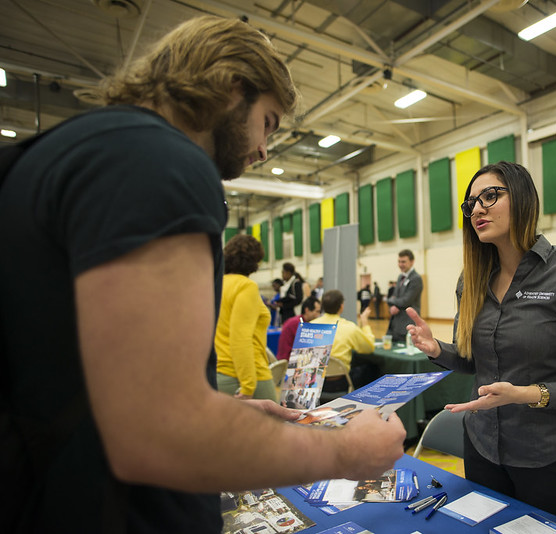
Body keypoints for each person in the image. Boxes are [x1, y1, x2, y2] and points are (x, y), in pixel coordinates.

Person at [0, 16, 405, 532]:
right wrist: (346, 451)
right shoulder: (161, 159)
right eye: (267, 123)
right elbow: (157, 431)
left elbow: (104, 391)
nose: (264, 149)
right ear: (233, 86)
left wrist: (222, 413)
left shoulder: (66, 153)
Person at [406, 162, 556, 527]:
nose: (478, 209)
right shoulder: (472, 279)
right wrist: (437, 349)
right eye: (471, 203)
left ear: (523, 199)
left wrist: (525, 394)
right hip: (483, 449)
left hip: (549, 459)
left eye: (490, 196)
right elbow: (473, 361)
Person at [215, 235, 276, 400]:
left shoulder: (217, 284)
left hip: (219, 373)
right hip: (249, 374)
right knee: (273, 416)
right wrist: (248, 385)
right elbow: (240, 338)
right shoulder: (246, 286)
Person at [311, 290, 375, 392]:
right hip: (339, 382)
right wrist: (365, 322)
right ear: (341, 307)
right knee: (371, 368)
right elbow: (369, 348)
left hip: (313, 382)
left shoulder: (310, 326)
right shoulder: (349, 327)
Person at [385, 249, 423, 342]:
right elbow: (395, 296)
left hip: (407, 324)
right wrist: (392, 305)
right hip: (395, 324)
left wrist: (391, 301)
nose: (400, 264)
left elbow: (406, 301)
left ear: (412, 262)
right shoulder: (400, 277)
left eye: (403, 262)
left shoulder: (416, 279)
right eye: (399, 261)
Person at [276, 296, 321, 361]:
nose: (318, 315)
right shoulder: (296, 324)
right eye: (317, 312)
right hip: (288, 361)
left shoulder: (301, 322)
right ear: (307, 310)